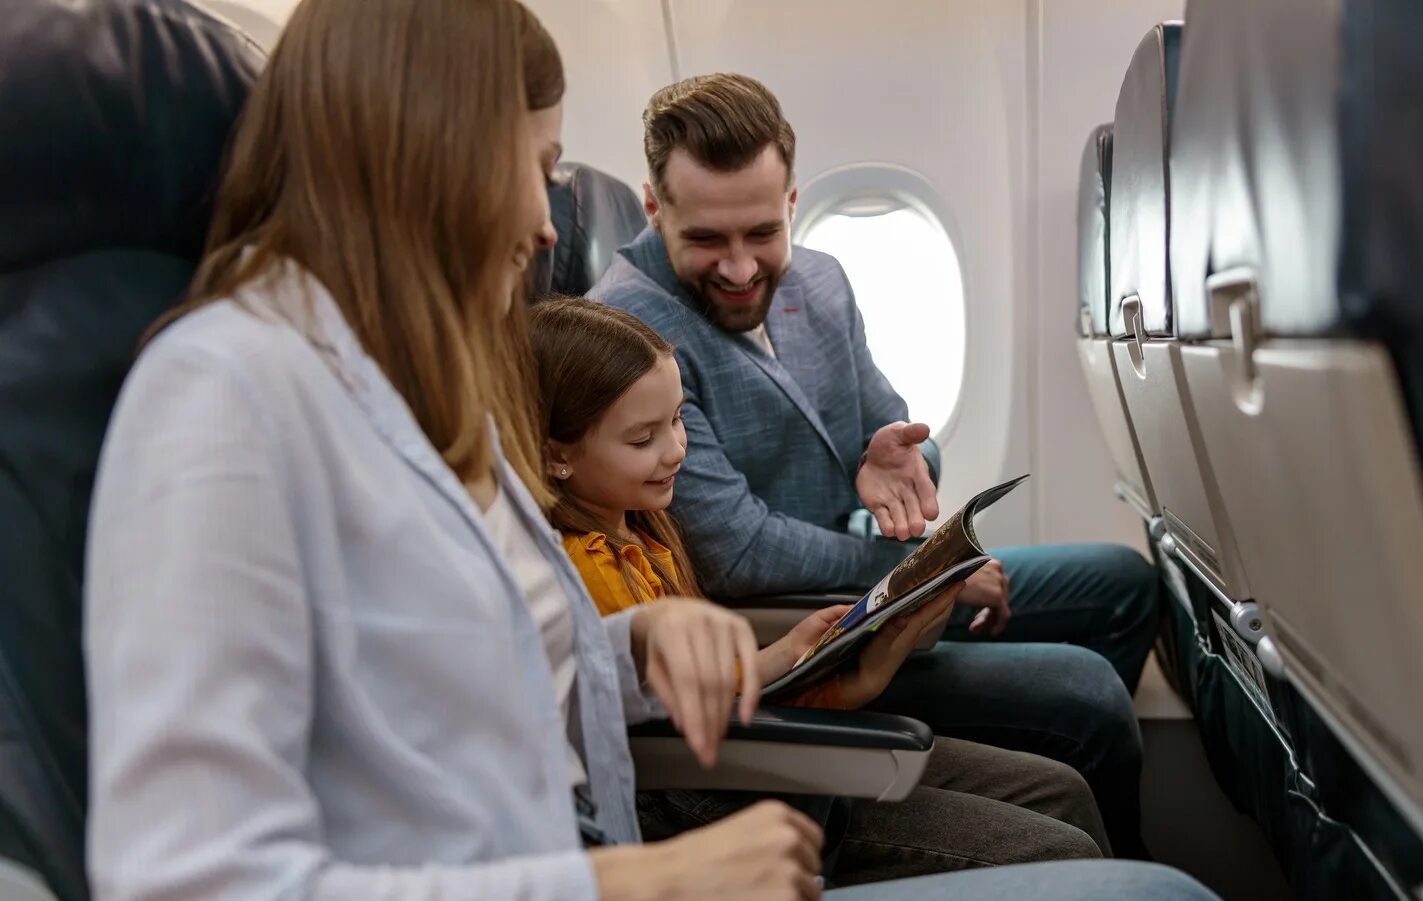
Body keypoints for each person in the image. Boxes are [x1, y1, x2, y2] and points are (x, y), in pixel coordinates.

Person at [81, 1, 1216, 899]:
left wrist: (638, 641)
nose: (542, 223)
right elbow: (190, 877)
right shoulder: (224, 397)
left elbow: (474, 685)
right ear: (421, 155)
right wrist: (633, 884)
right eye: (530, 164)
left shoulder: (413, 381)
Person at [589, 71, 1152, 857]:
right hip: (805, 617)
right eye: (708, 241)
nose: (743, 268)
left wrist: (901, 456)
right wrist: (921, 571)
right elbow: (740, 549)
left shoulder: (820, 279)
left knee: (1123, 582)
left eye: (761, 232)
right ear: (656, 210)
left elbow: (899, 428)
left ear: (792, 202)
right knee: (1085, 695)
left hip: (869, 580)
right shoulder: (629, 334)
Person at [530, 297, 1110, 882]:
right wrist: (833, 684)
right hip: (713, 792)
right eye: (643, 439)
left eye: (677, 420)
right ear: (558, 457)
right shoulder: (591, 566)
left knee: (1061, 789)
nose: (676, 450)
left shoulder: (642, 527)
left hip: (746, 749)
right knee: (1060, 844)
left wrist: (797, 656)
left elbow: (693, 684)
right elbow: (673, 718)